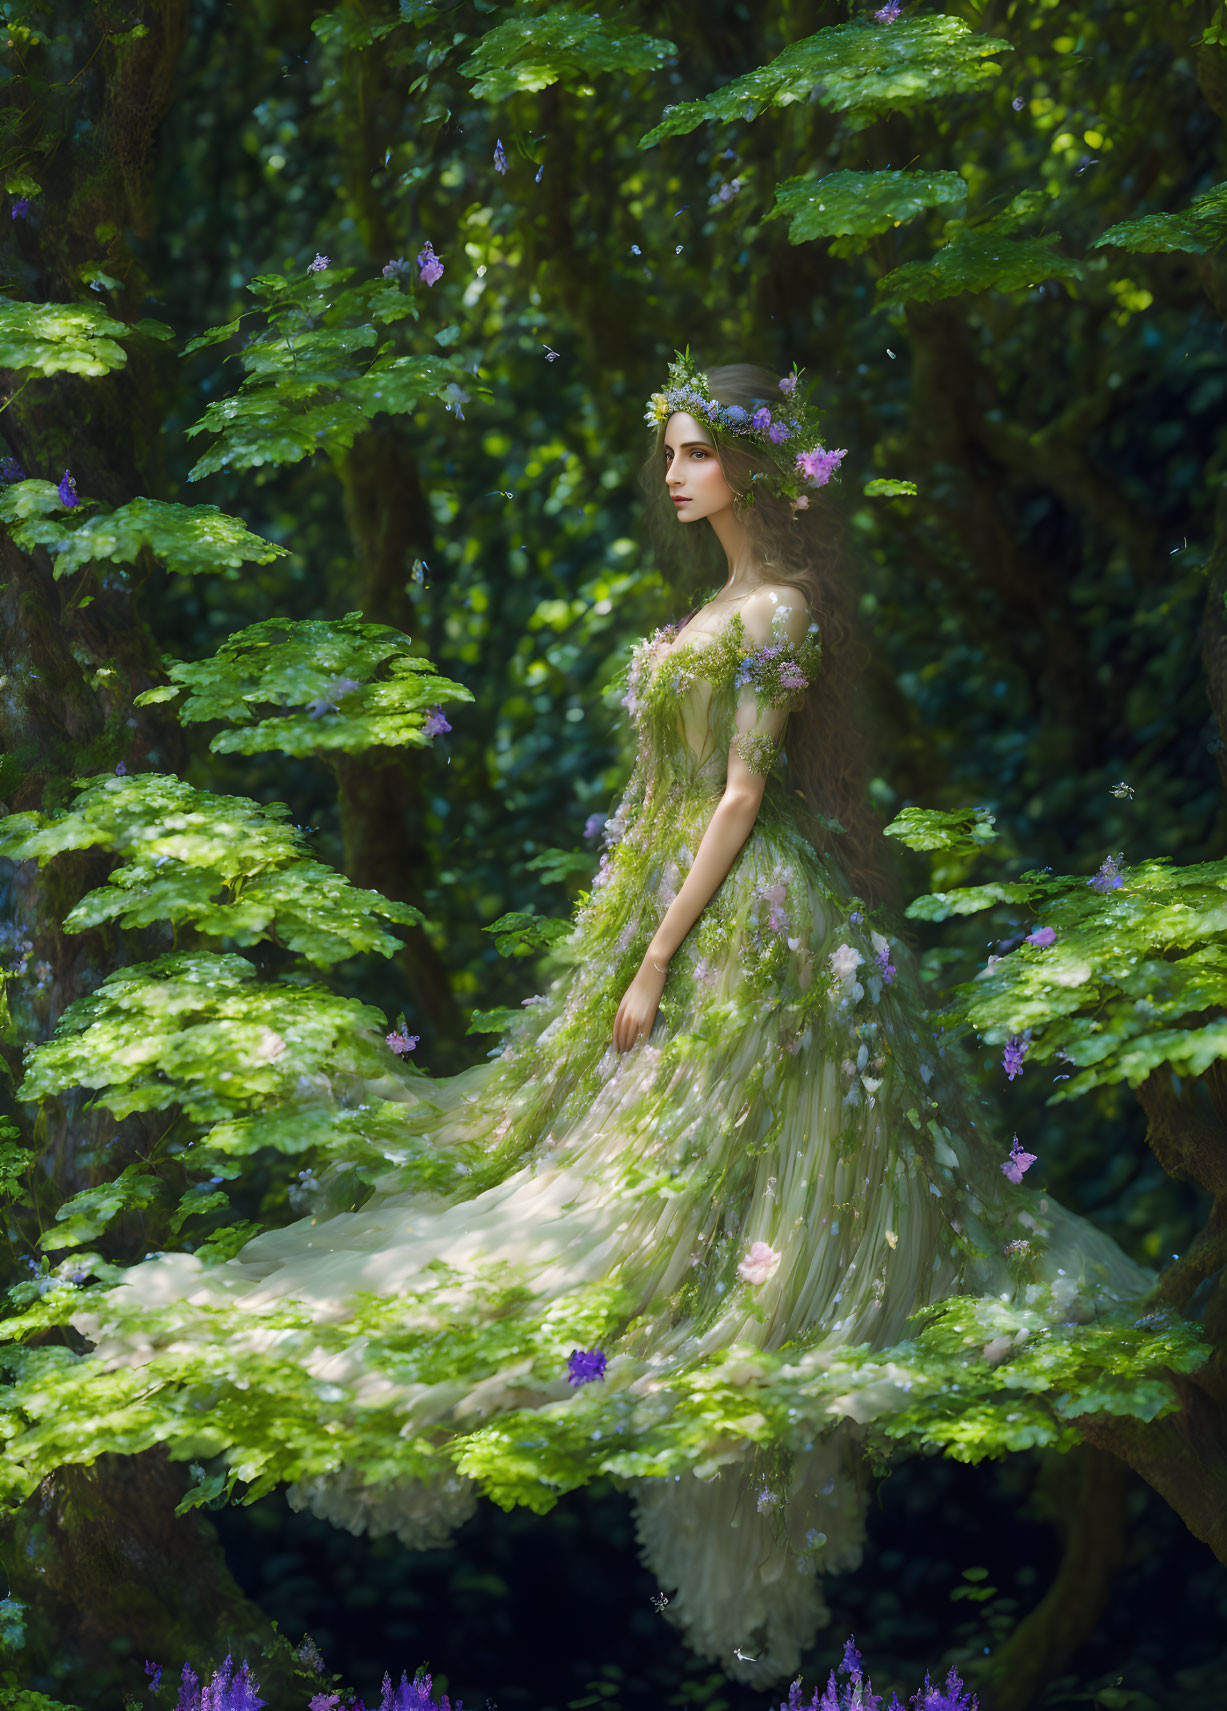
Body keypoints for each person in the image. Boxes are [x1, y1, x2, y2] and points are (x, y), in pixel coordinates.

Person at [72, 352, 1152, 1687]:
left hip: (758, 920)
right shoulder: (728, 603)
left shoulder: (778, 614)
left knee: (733, 1177)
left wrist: (650, 957)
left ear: (748, 466)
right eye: (673, 452)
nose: (674, 472)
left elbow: (744, 796)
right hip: (708, 910)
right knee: (624, 1173)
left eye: (695, 452)